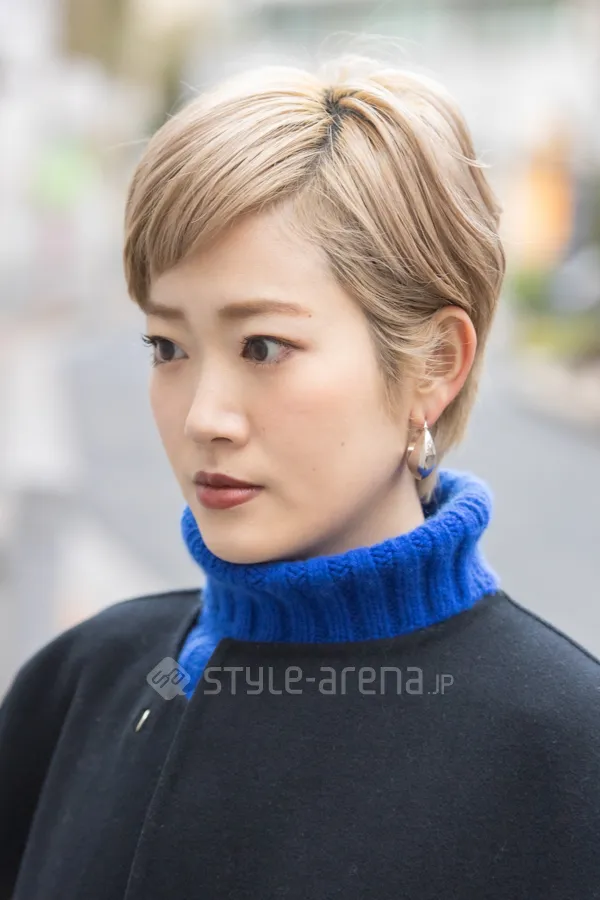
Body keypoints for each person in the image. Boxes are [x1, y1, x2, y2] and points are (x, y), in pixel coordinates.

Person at [1, 54, 599, 900]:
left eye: (263, 346)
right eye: (167, 346)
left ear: (435, 363)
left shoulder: (563, 754)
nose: (204, 415)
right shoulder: (77, 688)